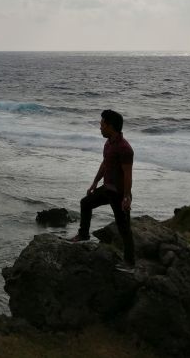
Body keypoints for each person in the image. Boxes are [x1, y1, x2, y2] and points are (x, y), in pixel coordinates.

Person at [68, 109, 136, 271]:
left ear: (110, 126)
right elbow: (105, 164)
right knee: (85, 203)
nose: (100, 127)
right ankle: (83, 234)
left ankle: (130, 263)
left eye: (102, 124)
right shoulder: (109, 143)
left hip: (119, 193)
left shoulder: (125, 148)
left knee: (124, 227)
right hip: (107, 189)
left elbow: (128, 175)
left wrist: (126, 197)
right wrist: (94, 183)